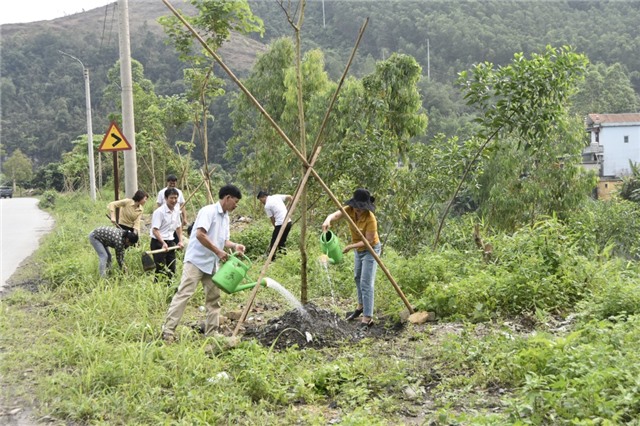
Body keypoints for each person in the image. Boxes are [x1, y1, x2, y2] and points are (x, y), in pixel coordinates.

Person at [162, 184, 246, 343]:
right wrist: (218, 251)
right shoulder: (208, 211)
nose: (236, 205)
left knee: (214, 298)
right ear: (227, 198)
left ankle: (212, 333)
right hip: (196, 260)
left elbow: (224, 240)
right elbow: (201, 235)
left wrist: (235, 246)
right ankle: (168, 331)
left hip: (212, 264)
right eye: (235, 202)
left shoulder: (225, 217)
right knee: (184, 294)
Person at [322, 188, 380, 329]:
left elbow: (369, 241)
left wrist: (350, 246)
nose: (358, 211)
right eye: (356, 208)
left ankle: (367, 318)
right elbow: (334, 215)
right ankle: (360, 306)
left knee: (366, 283)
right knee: (357, 277)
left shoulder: (370, 218)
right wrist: (327, 220)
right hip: (358, 250)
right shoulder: (349, 209)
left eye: (361, 209)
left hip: (370, 250)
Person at [150, 187, 184, 281]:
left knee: (171, 268)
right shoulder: (159, 212)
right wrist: (163, 243)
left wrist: (180, 241)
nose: (174, 200)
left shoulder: (176, 211)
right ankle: (157, 289)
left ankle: (169, 288)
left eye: (175, 198)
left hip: (170, 242)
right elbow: (155, 230)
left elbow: (178, 227)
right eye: (171, 198)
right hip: (158, 242)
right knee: (160, 269)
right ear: (165, 198)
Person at [257, 191, 293, 259]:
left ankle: (271, 258)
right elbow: (290, 197)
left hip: (280, 224)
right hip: (288, 222)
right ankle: (283, 258)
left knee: (274, 242)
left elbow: (272, 219)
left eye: (261, 200)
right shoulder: (276, 196)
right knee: (282, 241)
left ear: (264, 197)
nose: (261, 202)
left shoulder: (267, 206)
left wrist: (276, 228)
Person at [156, 174, 187, 241]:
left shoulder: (179, 192)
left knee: (177, 234)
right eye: (171, 183)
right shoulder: (162, 192)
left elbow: (182, 205)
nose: (172, 185)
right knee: (165, 233)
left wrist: (184, 218)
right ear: (167, 182)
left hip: (176, 216)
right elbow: (158, 205)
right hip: (165, 217)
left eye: (174, 183)